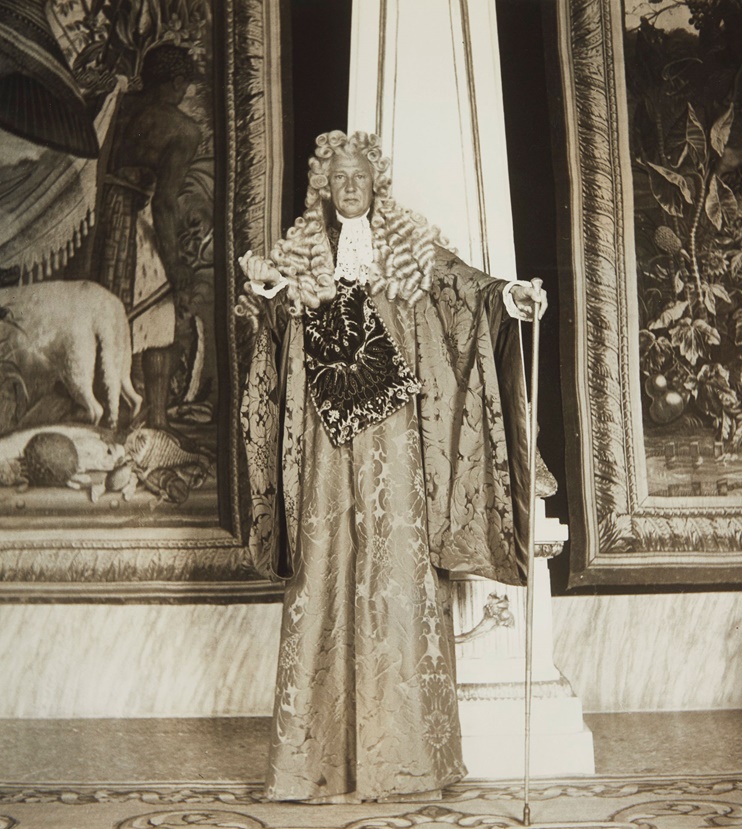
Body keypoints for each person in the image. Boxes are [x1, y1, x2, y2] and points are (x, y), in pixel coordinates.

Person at [238, 130, 552, 804]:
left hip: (399, 444)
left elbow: (464, 288)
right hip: (327, 446)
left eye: (360, 176)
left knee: (400, 572)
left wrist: (509, 299)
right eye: (338, 176)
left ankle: (405, 757)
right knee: (326, 565)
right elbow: (270, 344)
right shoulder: (300, 257)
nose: (350, 186)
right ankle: (315, 760)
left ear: (375, 183)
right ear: (324, 184)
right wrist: (265, 297)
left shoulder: (411, 250)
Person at [91, 44, 200, 431]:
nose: (186, 92)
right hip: (139, 228)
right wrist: (175, 266)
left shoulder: (119, 107)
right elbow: (164, 205)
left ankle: (111, 417)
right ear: (175, 82)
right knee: (158, 323)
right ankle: (155, 421)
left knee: (105, 318)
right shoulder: (182, 129)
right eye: (185, 84)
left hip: (102, 226)